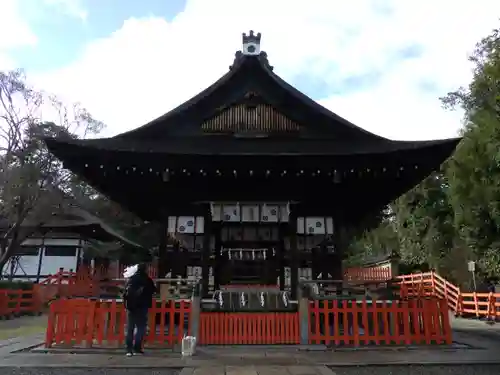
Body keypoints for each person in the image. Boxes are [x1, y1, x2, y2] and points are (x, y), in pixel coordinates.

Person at [123, 263, 157, 356]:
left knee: (130, 328)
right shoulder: (147, 280)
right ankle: (137, 347)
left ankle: (128, 349)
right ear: (145, 269)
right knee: (141, 327)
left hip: (131, 306)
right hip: (143, 307)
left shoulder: (132, 279)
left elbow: (125, 292)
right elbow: (154, 290)